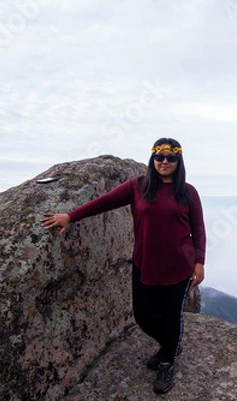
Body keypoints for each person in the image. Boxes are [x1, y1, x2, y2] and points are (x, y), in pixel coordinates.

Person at [40, 138, 206, 394]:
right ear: (153, 158)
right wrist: (70, 216)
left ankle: (166, 361)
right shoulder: (137, 186)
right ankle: (170, 345)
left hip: (178, 268)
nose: (164, 161)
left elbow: (198, 229)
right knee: (143, 316)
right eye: (159, 156)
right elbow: (104, 202)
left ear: (178, 161)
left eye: (171, 158)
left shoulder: (188, 192)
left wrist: (199, 262)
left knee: (172, 316)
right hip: (145, 263)